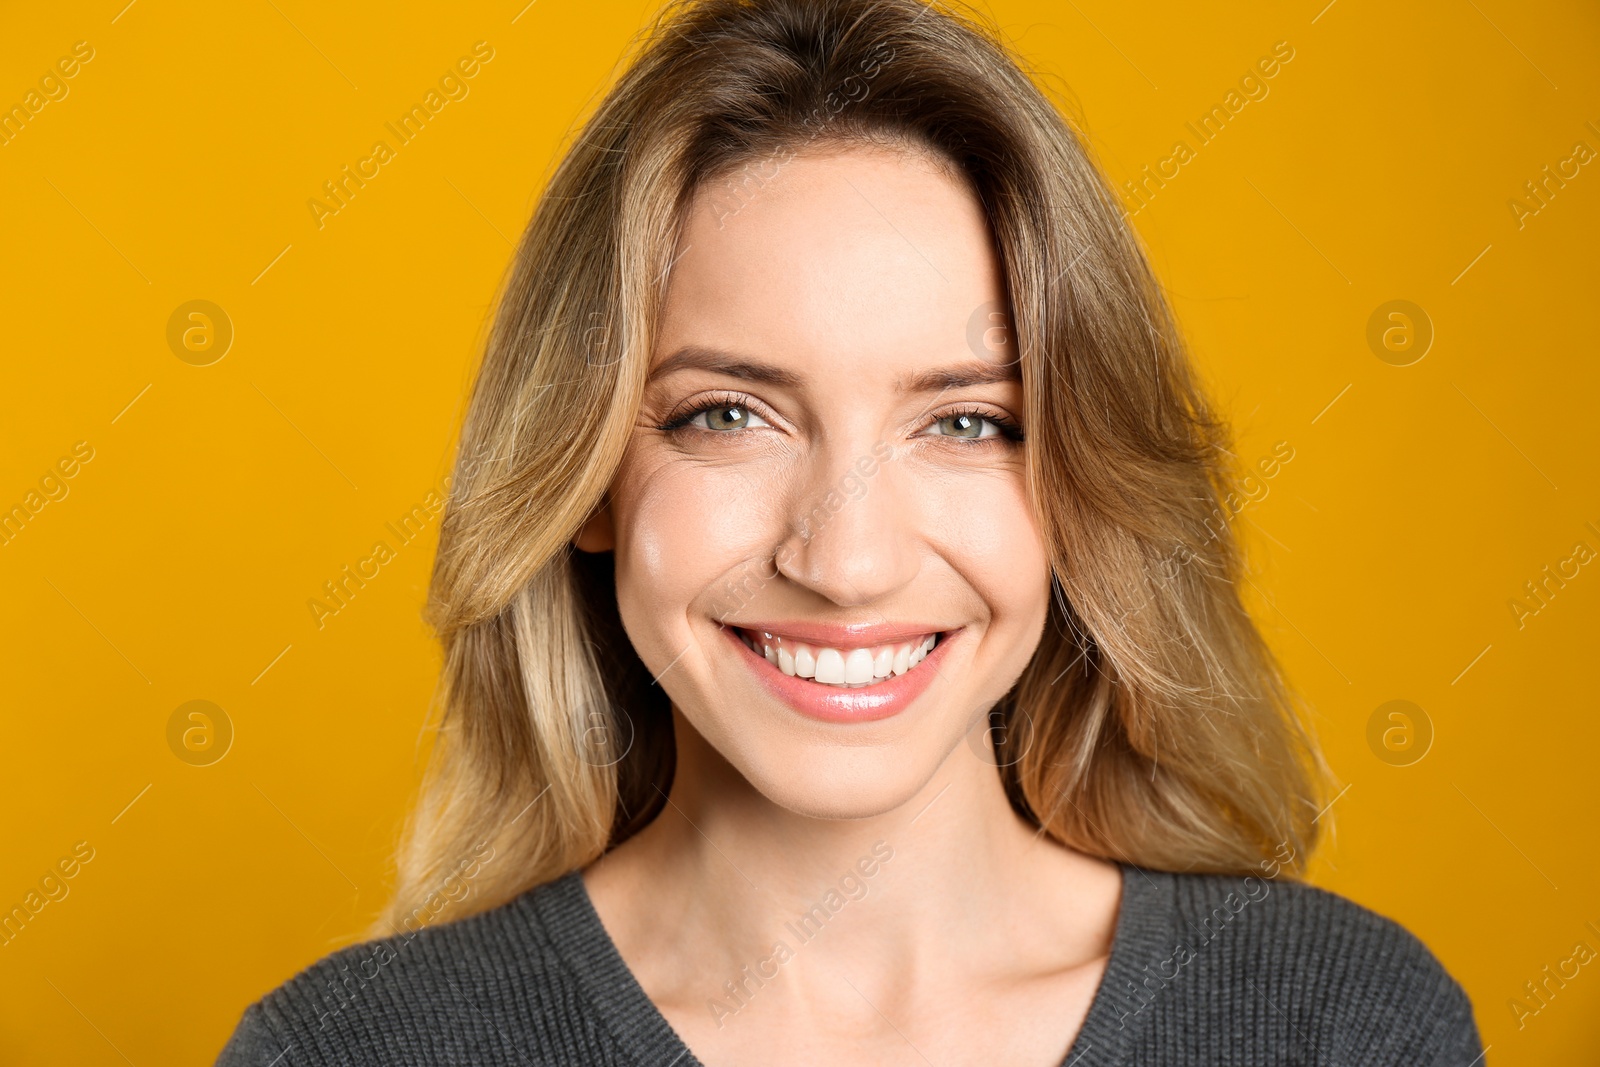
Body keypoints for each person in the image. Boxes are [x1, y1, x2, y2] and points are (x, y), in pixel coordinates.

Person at [217, 0, 1482, 1063]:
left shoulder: (1342, 1026)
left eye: (968, 422)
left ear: (1084, 481)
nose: (848, 560)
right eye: (728, 412)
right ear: (587, 472)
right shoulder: (345, 1051)